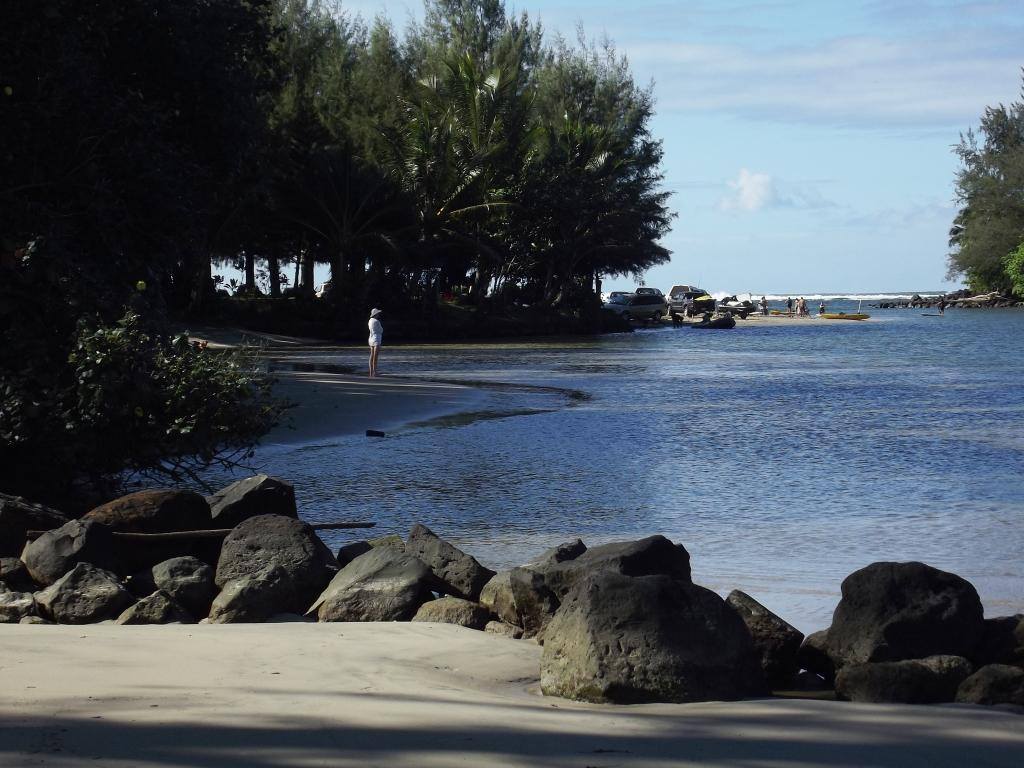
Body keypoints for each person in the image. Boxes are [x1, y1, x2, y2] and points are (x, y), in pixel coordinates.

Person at [367, 308, 383, 377]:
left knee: (372, 355)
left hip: (371, 338)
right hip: (376, 339)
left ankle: (371, 371)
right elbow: (381, 330)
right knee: (375, 356)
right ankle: (375, 371)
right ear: (375, 314)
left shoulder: (370, 321)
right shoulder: (376, 321)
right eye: (378, 313)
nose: (378, 314)